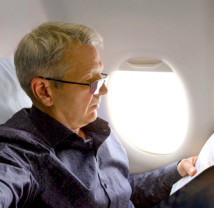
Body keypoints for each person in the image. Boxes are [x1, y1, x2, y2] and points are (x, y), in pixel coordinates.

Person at [0, 22, 198, 208]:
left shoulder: (98, 130)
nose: (103, 91)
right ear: (44, 91)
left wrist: (178, 170)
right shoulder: (21, 151)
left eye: (101, 76)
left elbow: (122, 190)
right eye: (89, 82)